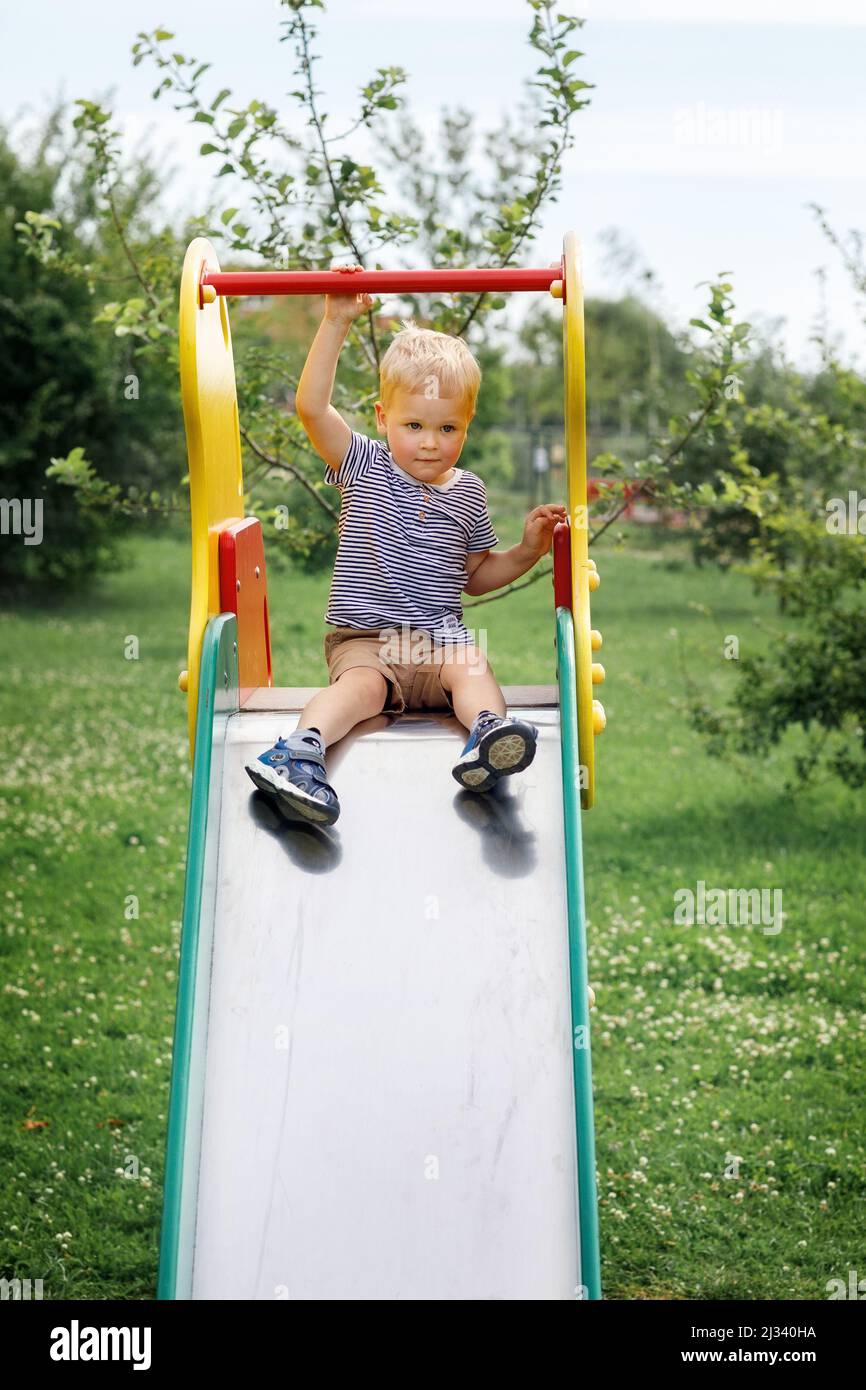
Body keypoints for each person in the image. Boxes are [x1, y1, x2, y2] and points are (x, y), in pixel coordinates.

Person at [245, 266, 566, 826]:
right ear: (382, 417)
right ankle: (299, 753)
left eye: (447, 429)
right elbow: (312, 409)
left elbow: (475, 575)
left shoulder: (469, 491)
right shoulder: (363, 463)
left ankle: (488, 739)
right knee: (361, 690)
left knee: (471, 669)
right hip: (368, 641)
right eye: (414, 424)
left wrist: (528, 550)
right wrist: (336, 321)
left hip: (438, 645)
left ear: (466, 424)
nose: (429, 442)